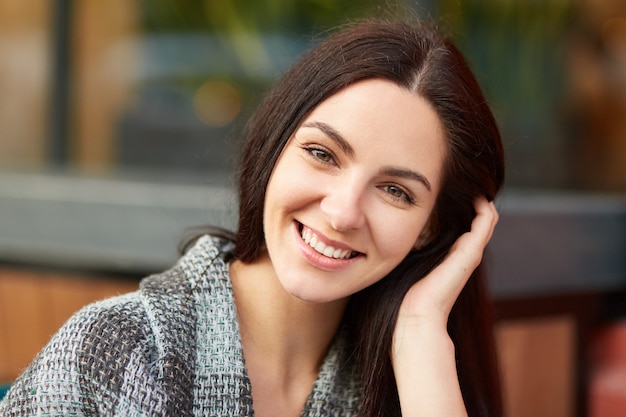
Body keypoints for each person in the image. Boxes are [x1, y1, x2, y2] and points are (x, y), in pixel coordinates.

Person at [0, 19, 504, 417]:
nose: (342, 211)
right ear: (273, 147)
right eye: (322, 154)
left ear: (430, 229)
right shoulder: (119, 351)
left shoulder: (423, 380)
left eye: (395, 191)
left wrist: (419, 334)